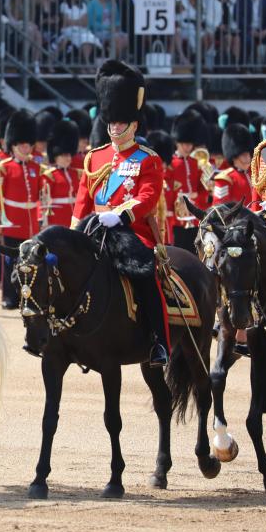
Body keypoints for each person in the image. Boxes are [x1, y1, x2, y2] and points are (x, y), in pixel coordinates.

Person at [72, 59, 169, 367]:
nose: (115, 126)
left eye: (121, 121)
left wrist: (122, 216)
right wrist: (73, 233)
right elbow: (82, 199)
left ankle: (158, 341)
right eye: (111, 121)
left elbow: (148, 198)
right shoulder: (95, 157)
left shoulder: (147, 159)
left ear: (134, 124)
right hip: (94, 229)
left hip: (131, 231)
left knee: (145, 276)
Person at [0, 109, 41, 310]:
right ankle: (9, 297)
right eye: (22, 143)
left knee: (30, 263)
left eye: (29, 143)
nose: (26, 146)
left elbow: (39, 195)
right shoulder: (3, 167)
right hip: (12, 220)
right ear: (13, 144)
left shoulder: (36, 167)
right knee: (10, 261)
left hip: (30, 221)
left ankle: (28, 297)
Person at [170, 108, 207, 250]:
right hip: (178, 219)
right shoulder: (171, 164)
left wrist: (199, 196)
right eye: (184, 143)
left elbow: (201, 187)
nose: (188, 147)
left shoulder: (194, 162)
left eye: (189, 144)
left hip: (194, 215)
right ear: (177, 142)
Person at [40, 119, 80, 228]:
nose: (68, 158)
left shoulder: (77, 174)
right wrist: (44, 222)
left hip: (75, 216)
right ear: (56, 157)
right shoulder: (49, 175)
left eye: (69, 155)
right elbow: (44, 201)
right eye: (63, 155)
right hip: (57, 218)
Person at [212, 123, 253, 205]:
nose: (248, 157)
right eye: (243, 154)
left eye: (248, 153)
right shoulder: (225, 179)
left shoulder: (255, 173)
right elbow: (220, 210)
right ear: (234, 157)